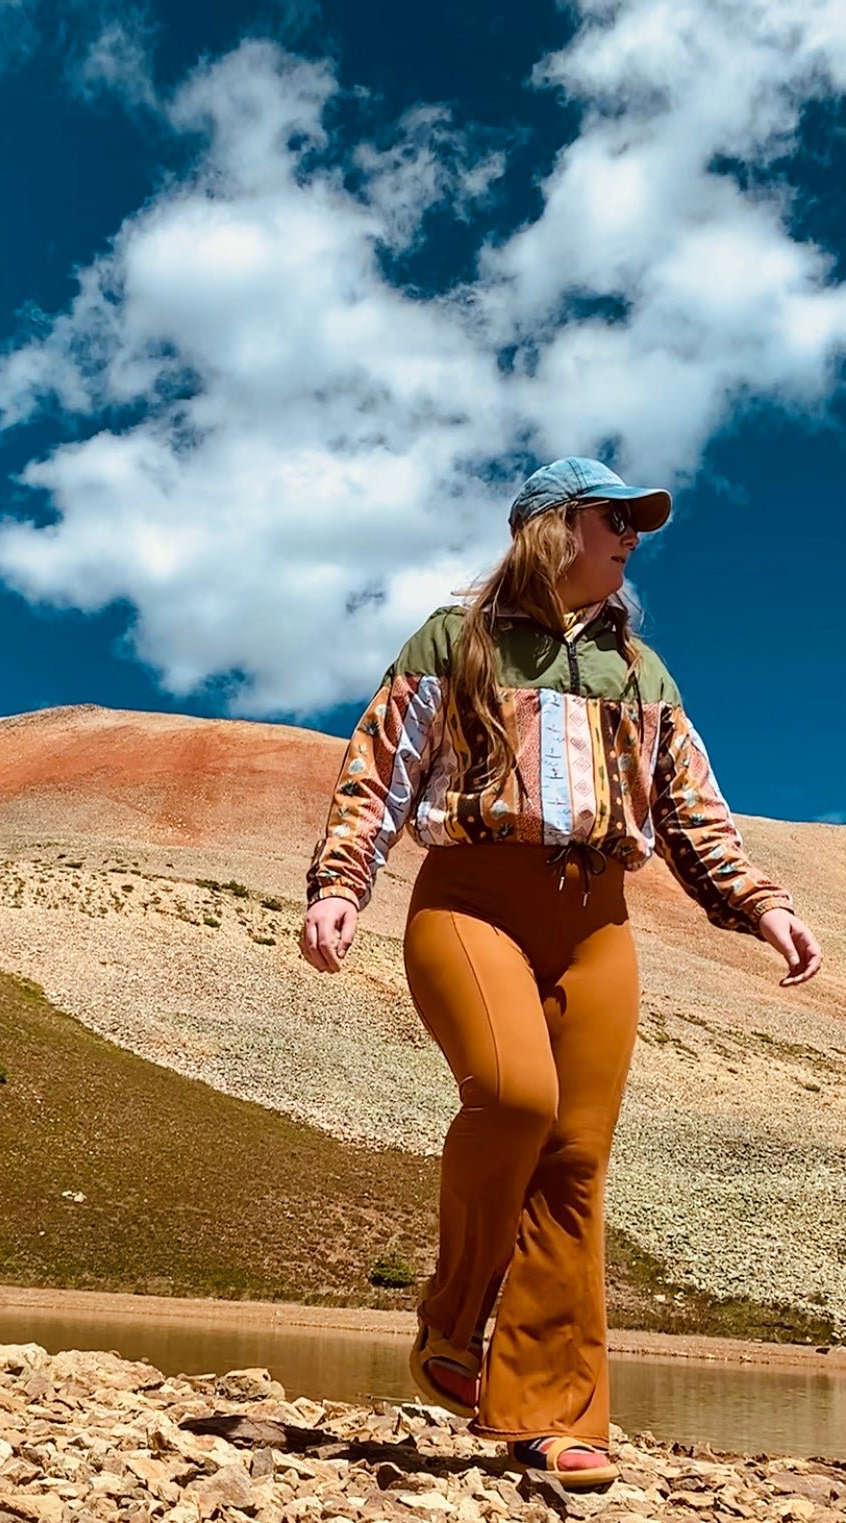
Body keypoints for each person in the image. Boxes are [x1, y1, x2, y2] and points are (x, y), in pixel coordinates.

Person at [300, 457, 821, 1491]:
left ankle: (550, 1411)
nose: (631, 535)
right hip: (472, 898)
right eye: (611, 516)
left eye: (637, 521)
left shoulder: (644, 671)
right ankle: (453, 1314)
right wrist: (340, 884)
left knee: (576, 1157)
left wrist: (764, 902)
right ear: (550, 527)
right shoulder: (456, 641)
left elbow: (692, 812)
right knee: (515, 1097)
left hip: (599, 920)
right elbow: (381, 770)